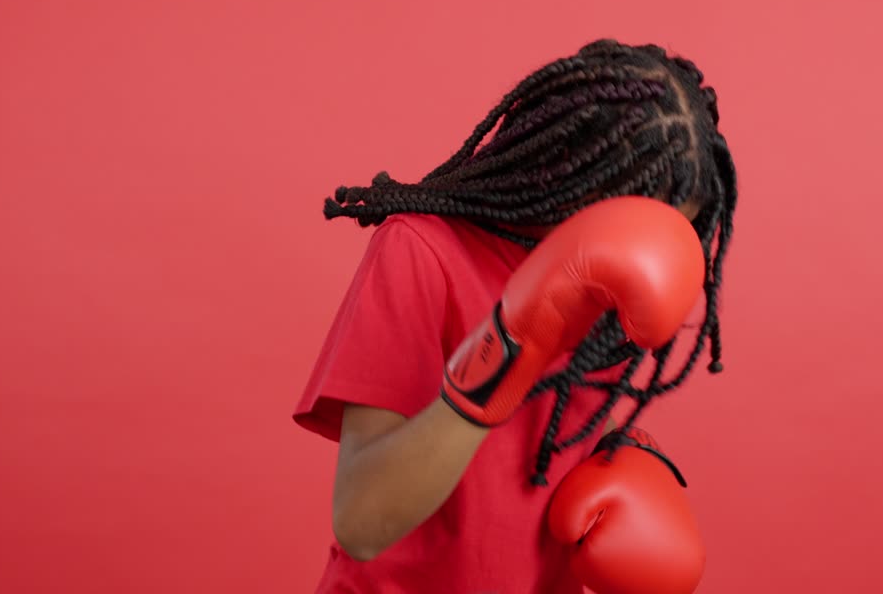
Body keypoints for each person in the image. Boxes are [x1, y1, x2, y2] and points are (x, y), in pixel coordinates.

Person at [294, 39, 738, 593]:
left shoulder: (614, 295)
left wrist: (620, 463)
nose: (646, 249)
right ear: (566, 169)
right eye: (635, 220)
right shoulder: (423, 253)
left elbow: (527, 469)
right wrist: (509, 345)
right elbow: (360, 521)